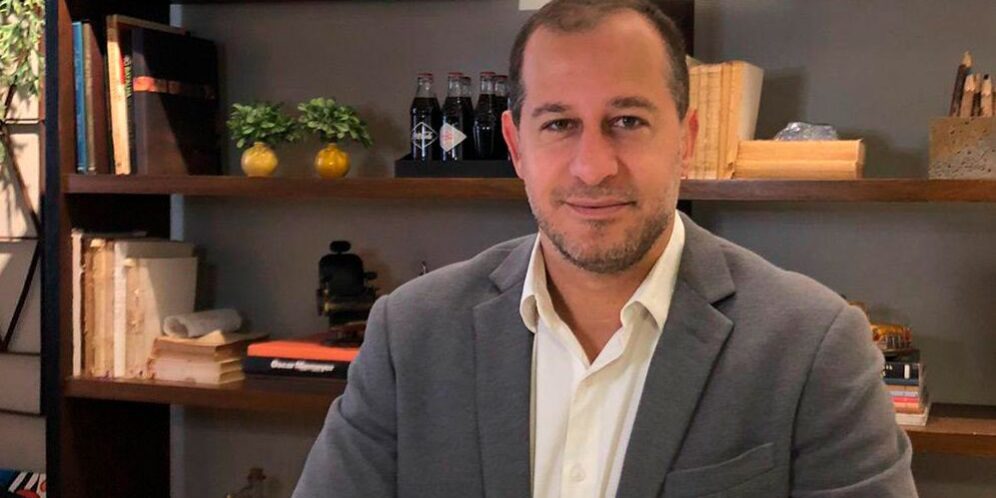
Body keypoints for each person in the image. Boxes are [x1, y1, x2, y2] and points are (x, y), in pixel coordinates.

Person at [294, 1, 917, 496]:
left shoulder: (814, 348)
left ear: (686, 140)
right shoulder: (410, 335)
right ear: (516, 146)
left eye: (628, 121)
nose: (593, 167)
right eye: (559, 124)